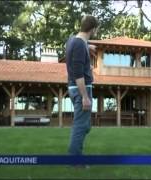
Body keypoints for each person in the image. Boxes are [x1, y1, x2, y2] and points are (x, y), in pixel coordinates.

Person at [65, 15, 98, 156]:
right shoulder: (79, 44)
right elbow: (78, 73)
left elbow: (78, 48)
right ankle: (75, 159)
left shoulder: (74, 40)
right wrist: (84, 96)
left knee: (85, 125)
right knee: (80, 126)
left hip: (75, 88)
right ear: (93, 29)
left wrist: (87, 46)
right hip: (81, 89)